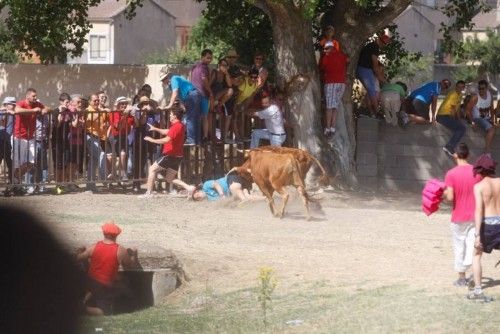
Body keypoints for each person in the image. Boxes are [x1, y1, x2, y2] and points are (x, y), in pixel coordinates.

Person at [76, 221, 138, 315]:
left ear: (103, 233)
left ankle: (84, 301)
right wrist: (134, 255)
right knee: (105, 313)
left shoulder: (94, 246)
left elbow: (79, 258)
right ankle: (83, 309)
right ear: (116, 235)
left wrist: (80, 251)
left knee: (94, 289)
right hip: (104, 286)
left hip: (90, 281)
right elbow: (130, 266)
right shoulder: (120, 250)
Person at [443, 143, 481, 288]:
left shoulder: (451, 174)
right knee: (472, 246)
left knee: (459, 246)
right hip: (475, 216)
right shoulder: (476, 172)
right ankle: (473, 271)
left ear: (455, 155)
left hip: (458, 216)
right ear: (468, 155)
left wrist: (443, 196)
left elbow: (450, 197)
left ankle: (461, 277)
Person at [469, 154, 499, 302]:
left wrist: (477, 235)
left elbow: (478, 211)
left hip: (488, 225)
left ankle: (478, 290)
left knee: (476, 255)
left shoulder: (479, 187)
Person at [139, 105, 185, 198]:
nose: (170, 116)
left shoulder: (176, 127)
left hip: (170, 155)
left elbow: (166, 140)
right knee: (169, 178)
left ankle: (149, 193)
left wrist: (152, 140)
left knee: (152, 169)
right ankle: (189, 188)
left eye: (171, 114)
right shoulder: (180, 125)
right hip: (177, 156)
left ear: (175, 115)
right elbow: (167, 131)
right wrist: (155, 128)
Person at [13, 88, 50, 187]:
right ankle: (17, 183)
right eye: (33, 96)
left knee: (31, 162)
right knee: (18, 163)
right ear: (27, 96)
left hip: (30, 137)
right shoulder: (22, 103)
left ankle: (15, 179)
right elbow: (16, 110)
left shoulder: (37, 104)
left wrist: (44, 110)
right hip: (19, 137)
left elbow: (49, 108)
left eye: (35, 96)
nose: (35, 98)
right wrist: (33, 110)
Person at [160, 65, 202, 144]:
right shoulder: (171, 84)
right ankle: (197, 140)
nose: (163, 81)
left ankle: (191, 140)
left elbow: (175, 93)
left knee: (191, 118)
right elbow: (179, 95)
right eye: (162, 80)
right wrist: (183, 105)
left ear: (167, 77)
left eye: (163, 79)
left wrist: (169, 105)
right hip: (190, 96)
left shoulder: (174, 79)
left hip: (191, 95)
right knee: (194, 118)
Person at [319, 41, 349, 136]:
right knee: (335, 106)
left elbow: (322, 67)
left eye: (326, 49)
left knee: (329, 107)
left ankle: (327, 128)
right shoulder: (342, 55)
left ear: (330, 48)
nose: (325, 51)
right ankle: (333, 127)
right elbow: (348, 60)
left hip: (332, 83)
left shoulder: (327, 57)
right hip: (341, 84)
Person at [356, 34, 390, 117]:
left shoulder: (371, 46)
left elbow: (376, 64)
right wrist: (380, 76)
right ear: (379, 39)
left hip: (364, 69)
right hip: (364, 69)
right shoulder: (374, 47)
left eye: (385, 44)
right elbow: (375, 64)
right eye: (382, 42)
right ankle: (377, 111)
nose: (383, 45)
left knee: (371, 91)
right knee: (372, 90)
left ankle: (369, 111)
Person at [85, 93, 109, 192]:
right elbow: (88, 120)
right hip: (90, 136)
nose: (96, 102)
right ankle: (104, 178)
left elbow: (107, 119)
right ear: (90, 102)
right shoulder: (87, 110)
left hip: (98, 137)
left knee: (93, 161)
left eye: (97, 100)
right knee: (101, 154)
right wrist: (100, 112)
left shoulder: (100, 110)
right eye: (94, 100)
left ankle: (90, 184)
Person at [108, 96, 134, 181]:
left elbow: (136, 124)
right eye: (122, 104)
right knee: (115, 157)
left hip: (124, 136)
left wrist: (134, 114)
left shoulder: (129, 114)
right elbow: (118, 126)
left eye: (126, 104)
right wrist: (124, 116)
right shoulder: (114, 113)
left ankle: (122, 174)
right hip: (115, 137)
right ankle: (116, 174)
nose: (124, 105)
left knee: (123, 155)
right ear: (118, 105)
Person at [464, 80, 495, 153]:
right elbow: (467, 110)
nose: (481, 90)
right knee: (491, 129)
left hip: (487, 118)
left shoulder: (490, 94)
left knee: (493, 128)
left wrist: (494, 120)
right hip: (477, 118)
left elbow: (491, 107)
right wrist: (472, 123)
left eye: (483, 88)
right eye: (479, 88)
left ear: (487, 88)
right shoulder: (475, 98)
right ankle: (487, 150)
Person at [436, 80, 466, 156]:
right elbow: (453, 110)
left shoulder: (460, 95)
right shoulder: (454, 94)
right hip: (443, 116)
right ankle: (449, 146)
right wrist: (456, 120)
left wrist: (459, 120)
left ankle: (449, 146)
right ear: (456, 86)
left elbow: (458, 109)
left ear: (464, 88)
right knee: (461, 128)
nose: (460, 88)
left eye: (462, 87)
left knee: (461, 126)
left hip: (447, 116)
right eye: (458, 86)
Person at [190, 49, 214, 143]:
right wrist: (210, 92)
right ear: (202, 57)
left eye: (211, 58)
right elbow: (204, 80)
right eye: (208, 58)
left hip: (193, 94)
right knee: (204, 116)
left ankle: (196, 137)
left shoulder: (194, 67)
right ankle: (204, 136)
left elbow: (191, 79)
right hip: (203, 95)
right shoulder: (204, 68)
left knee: (195, 116)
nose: (209, 60)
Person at [210, 57, 234, 142]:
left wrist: (227, 73)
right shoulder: (214, 72)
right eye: (223, 65)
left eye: (226, 65)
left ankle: (219, 105)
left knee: (230, 91)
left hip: (219, 97)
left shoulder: (224, 75)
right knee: (212, 117)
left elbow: (230, 85)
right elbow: (209, 85)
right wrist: (211, 97)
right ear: (219, 65)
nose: (225, 67)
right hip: (212, 96)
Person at [0, 97, 15, 191]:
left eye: (14, 104)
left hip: (8, 141)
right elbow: (2, 123)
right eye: (11, 104)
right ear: (6, 104)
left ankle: (11, 185)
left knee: (10, 163)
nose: (13, 106)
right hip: (0, 140)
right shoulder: (2, 112)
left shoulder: (14, 114)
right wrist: (4, 112)